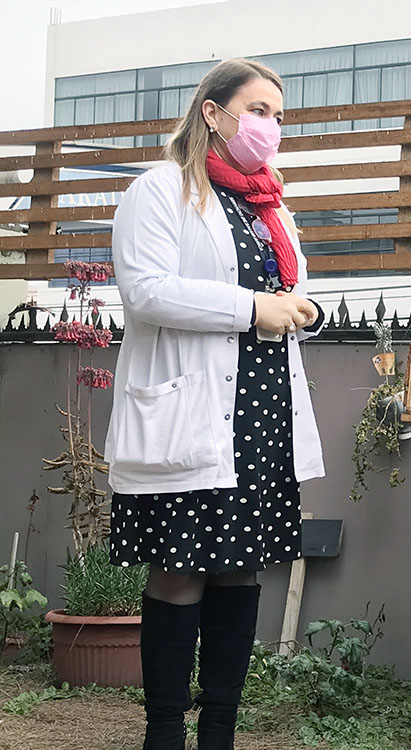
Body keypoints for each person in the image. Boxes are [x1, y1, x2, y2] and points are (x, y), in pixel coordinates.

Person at [106, 58, 326, 750]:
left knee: (240, 567)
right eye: (258, 111)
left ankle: (221, 734)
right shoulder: (160, 189)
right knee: (179, 568)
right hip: (192, 413)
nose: (271, 127)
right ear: (212, 112)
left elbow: (289, 293)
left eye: (279, 116)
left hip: (261, 413)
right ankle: (166, 733)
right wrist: (252, 307)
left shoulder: (268, 205)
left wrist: (300, 309)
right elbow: (146, 290)